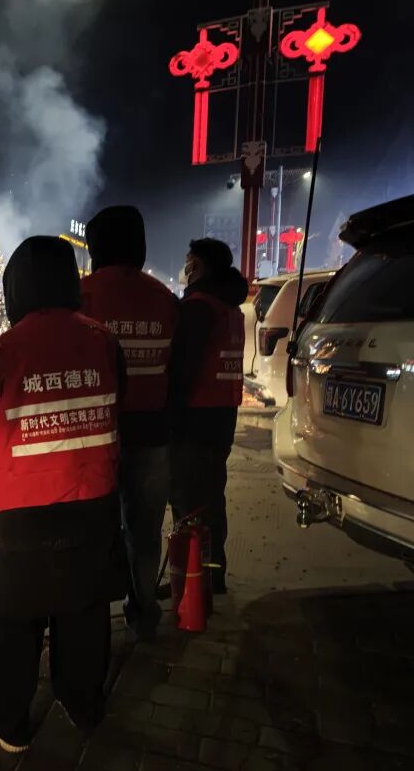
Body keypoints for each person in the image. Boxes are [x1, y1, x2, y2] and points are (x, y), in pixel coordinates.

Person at [0, 236, 126, 753]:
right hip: (92, 506)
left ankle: (6, 721)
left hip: (21, 516)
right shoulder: (105, 343)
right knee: (84, 611)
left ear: (14, 289)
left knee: (14, 617)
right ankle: (82, 704)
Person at [80, 206, 180, 641]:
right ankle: (144, 616)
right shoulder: (165, 299)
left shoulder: (80, 296)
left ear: (95, 247)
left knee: (93, 533)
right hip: (153, 435)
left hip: (95, 437)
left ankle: (89, 627)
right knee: (145, 532)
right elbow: (178, 369)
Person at [169, 238, 247, 595]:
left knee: (188, 502)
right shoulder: (230, 307)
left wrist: (169, 416)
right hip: (222, 417)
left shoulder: (199, 307)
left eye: (189, 261)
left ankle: (191, 582)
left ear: (198, 266)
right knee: (212, 498)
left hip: (195, 419)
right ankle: (212, 576)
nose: (185, 268)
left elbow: (182, 369)